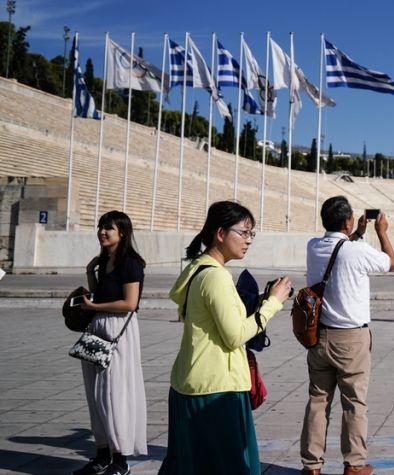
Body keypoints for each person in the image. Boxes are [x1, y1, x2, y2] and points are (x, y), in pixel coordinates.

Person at [160, 201, 293, 475]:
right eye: (243, 232)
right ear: (220, 233)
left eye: (251, 234)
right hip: (216, 389)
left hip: (190, 383)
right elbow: (235, 336)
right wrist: (274, 302)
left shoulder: (197, 268)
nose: (248, 240)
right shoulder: (216, 277)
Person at [300, 196, 394, 475]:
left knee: (318, 400)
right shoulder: (356, 251)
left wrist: (357, 234)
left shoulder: (313, 246)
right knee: (354, 402)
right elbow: (391, 262)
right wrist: (381, 232)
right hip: (351, 338)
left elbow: (339, 248)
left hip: (319, 335)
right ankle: (354, 464)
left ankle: (311, 465)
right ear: (347, 221)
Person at [74, 211, 148, 475]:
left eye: (108, 228)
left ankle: (120, 460)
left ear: (122, 233)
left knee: (113, 394)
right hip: (98, 328)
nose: (102, 232)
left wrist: (94, 306)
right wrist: (90, 273)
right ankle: (102, 454)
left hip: (118, 330)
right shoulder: (105, 261)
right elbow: (100, 294)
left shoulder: (131, 263)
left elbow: (130, 303)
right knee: (95, 394)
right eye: (100, 227)